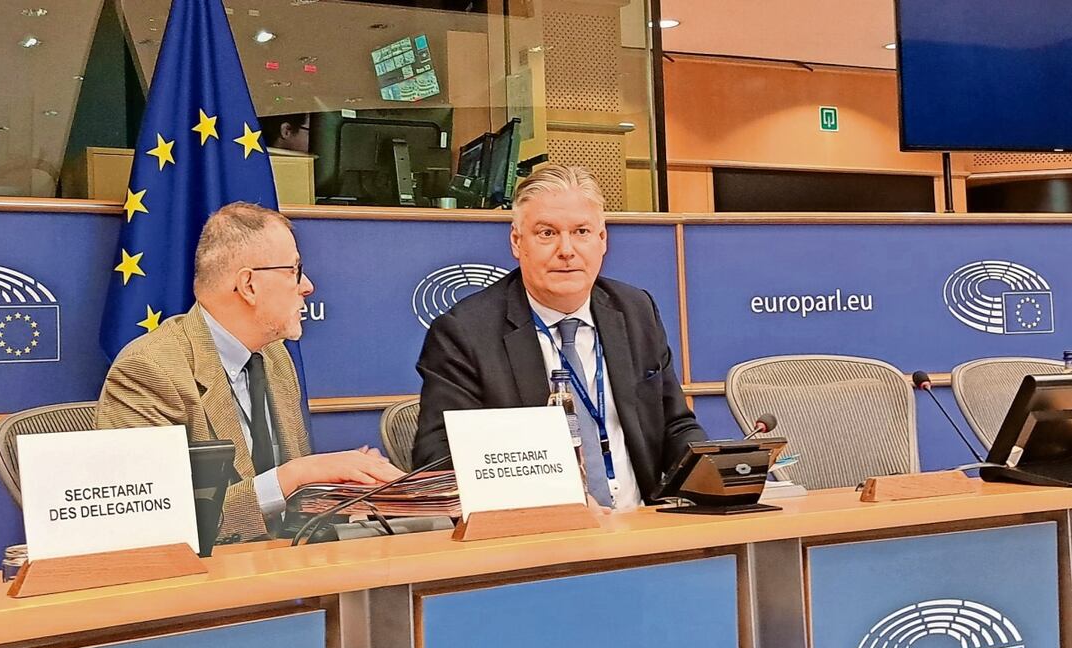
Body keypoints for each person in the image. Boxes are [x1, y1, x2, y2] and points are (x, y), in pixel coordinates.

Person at [95, 202, 402, 542]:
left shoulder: (275, 357)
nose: (308, 287)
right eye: (294, 270)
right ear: (249, 286)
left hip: (287, 570)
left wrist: (338, 486)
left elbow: (289, 508)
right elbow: (156, 525)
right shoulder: (149, 370)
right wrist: (298, 474)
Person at [413, 164, 708, 510]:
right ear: (516, 242)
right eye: (547, 233)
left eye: (581, 231)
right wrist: (557, 500)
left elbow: (675, 423)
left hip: (641, 525)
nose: (566, 250)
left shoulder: (635, 311)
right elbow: (440, 459)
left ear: (602, 241)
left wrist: (714, 473)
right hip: (538, 539)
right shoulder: (464, 333)